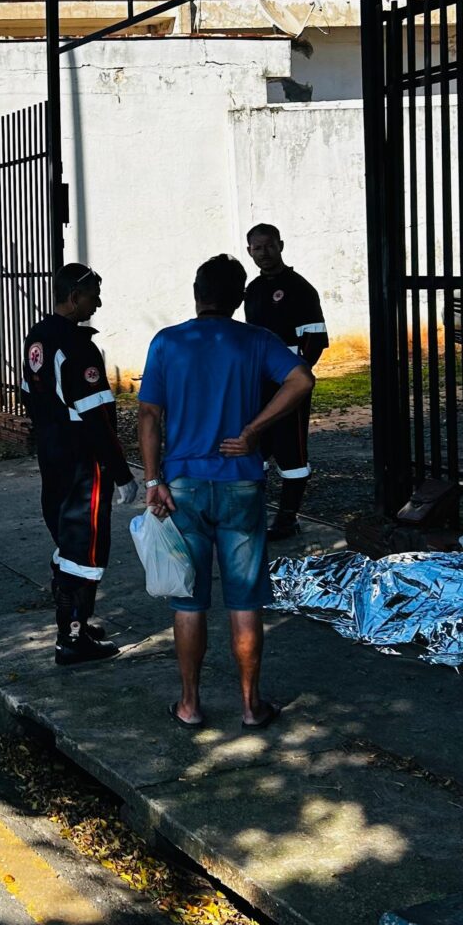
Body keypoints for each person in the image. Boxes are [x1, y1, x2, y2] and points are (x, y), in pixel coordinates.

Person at [138, 255, 314, 728]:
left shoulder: (168, 343)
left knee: (188, 601)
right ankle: (251, 706)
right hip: (241, 482)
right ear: (239, 298)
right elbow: (302, 379)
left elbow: (149, 416)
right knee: (244, 600)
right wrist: (255, 429)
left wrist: (153, 481)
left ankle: (190, 704)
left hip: (183, 487)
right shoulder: (257, 340)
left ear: (196, 292)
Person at [21, 263, 140, 666]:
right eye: (93, 295)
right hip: (81, 461)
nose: (99, 302)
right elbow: (96, 419)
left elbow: (30, 397)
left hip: (52, 454)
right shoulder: (78, 347)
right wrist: (121, 472)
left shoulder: (38, 336)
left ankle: (78, 621)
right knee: (84, 548)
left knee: (67, 539)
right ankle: (71, 639)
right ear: (74, 297)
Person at [242, 223, 327, 540]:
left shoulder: (300, 288)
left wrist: (293, 379)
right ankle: (254, 515)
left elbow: (314, 342)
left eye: (269, 246)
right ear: (249, 251)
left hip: (288, 387)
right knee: (257, 448)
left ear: (281, 245)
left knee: (291, 452)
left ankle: (288, 519)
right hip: (257, 385)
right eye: (257, 248)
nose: (264, 253)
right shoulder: (252, 290)